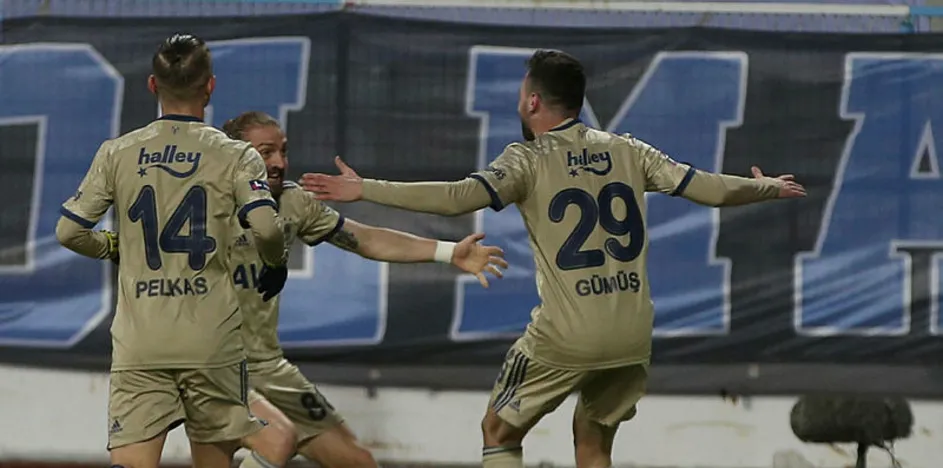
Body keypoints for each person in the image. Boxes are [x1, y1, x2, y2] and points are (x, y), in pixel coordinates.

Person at [299, 49, 807, 468]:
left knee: (498, 430)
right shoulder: (629, 150)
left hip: (567, 333)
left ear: (533, 101)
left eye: (522, 93)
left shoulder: (527, 158)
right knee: (594, 441)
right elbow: (711, 189)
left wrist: (366, 188)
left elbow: (456, 197)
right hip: (632, 332)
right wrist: (765, 187)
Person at [56, 34, 297, 468]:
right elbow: (265, 226)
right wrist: (276, 261)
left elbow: (69, 232)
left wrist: (112, 246)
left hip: (141, 342)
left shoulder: (117, 153)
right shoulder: (237, 155)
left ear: (153, 85)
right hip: (211, 342)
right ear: (210, 86)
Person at [221, 111, 508, 468]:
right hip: (212, 365)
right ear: (235, 156)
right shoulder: (207, 205)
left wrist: (449, 252)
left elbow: (367, 239)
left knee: (359, 462)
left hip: (267, 366)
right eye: (266, 153)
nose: (279, 162)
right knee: (274, 443)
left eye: (283, 151)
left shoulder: (294, 203)